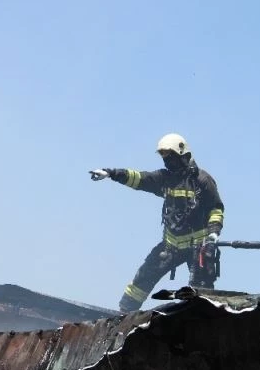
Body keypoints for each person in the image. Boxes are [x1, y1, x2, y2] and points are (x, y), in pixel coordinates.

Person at [90, 133, 224, 312]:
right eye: (166, 160)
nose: (169, 164)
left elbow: (216, 208)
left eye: (172, 159)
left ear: (184, 156)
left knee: (200, 296)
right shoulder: (165, 178)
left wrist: (213, 234)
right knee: (141, 281)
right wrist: (110, 173)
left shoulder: (202, 180)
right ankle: (122, 318)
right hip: (170, 246)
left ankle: (202, 324)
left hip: (198, 247)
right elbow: (138, 178)